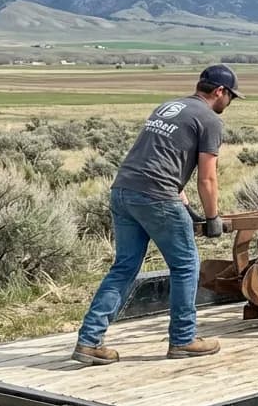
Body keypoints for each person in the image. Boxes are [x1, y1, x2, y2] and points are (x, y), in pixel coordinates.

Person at [71, 64, 243, 366]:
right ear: (219, 92)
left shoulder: (170, 107)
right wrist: (213, 217)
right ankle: (184, 339)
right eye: (230, 97)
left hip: (124, 190)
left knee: (124, 268)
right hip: (157, 196)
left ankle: (89, 341)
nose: (229, 103)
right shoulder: (209, 120)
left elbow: (159, 155)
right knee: (186, 265)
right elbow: (208, 178)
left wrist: (181, 196)